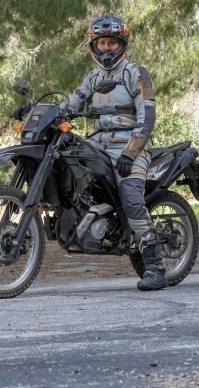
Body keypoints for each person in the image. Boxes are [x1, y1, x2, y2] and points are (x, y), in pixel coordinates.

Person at [63, 15, 165, 291]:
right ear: (94, 46)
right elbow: (69, 106)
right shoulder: (93, 78)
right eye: (102, 43)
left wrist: (131, 152)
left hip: (130, 146)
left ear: (122, 44)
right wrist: (44, 113)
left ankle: (155, 267)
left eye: (112, 42)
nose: (106, 48)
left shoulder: (137, 74)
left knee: (131, 199)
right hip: (98, 144)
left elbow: (147, 117)